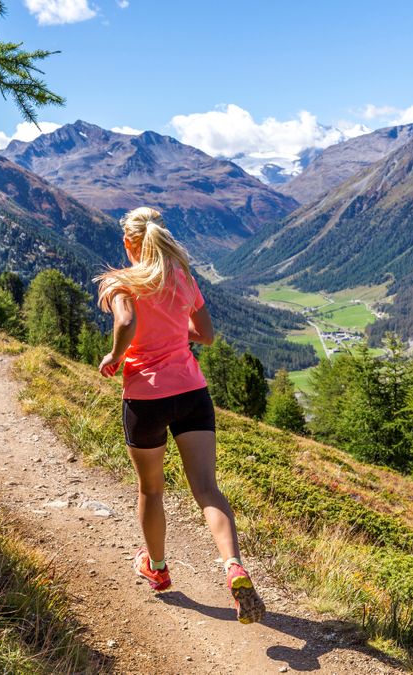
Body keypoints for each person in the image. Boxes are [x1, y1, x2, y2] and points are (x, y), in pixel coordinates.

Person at [94, 206, 265, 624]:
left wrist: (116, 355)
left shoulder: (120, 283)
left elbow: (128, 321)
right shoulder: (184, 278)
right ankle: (234, 567)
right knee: (207, 489)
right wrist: (173, 332)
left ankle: (157, 567)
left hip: (146, 398)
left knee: (152, 490)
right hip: (192, 393)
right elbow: (205, 334)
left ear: (129, 244)